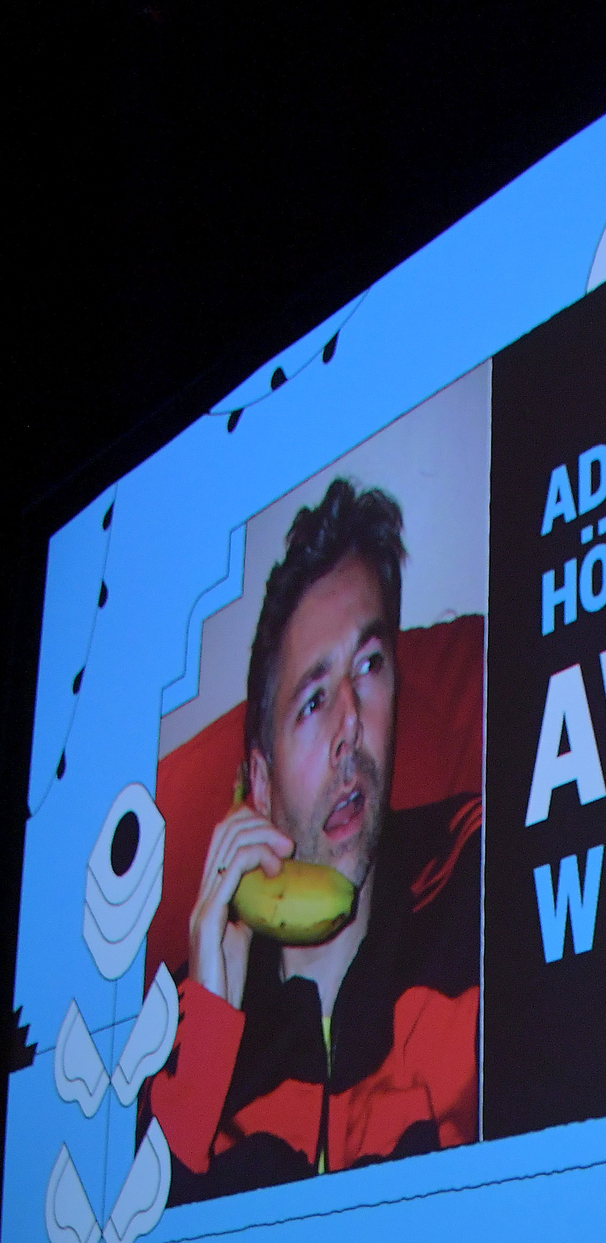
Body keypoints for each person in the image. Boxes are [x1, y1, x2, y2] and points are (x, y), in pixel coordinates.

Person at [144, 478, 481, 1202]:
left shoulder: (479, 872)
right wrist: (205, 1036)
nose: (351, 724)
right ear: (258, 785)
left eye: (369, 666)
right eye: (313, 700)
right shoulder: (179, 1016)